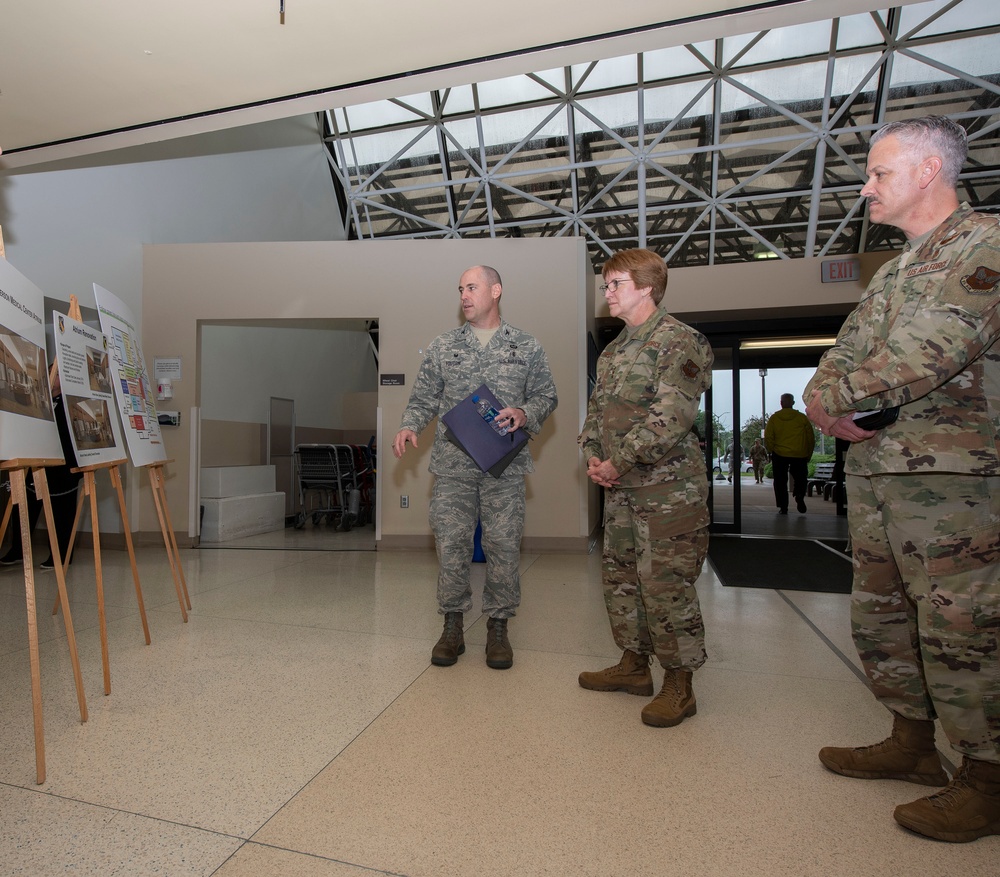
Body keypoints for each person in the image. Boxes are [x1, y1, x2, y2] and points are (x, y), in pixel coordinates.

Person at [804, 115, 1000, 843]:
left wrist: (834, 395)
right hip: (881, 473)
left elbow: (935, 346)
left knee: (962, 623)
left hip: (954, 479)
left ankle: (986, 774)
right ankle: (912, 740)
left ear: (927, 171)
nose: (865, 189)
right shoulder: (891, 271)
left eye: (878, 173)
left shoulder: (985, 245)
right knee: (883, 615)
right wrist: (823, 391)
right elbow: (843, 349)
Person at [392, 265, 557, 670]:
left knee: (503, 545)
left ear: (496, 290)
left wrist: (526, 411)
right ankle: (452, 625)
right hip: (453, 467)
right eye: (460, 289)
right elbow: (424, 396)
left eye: (472, 287)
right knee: (451, 546)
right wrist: (409, 424)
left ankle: (498, 627)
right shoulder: (444, 345)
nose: (464, 295)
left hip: (505, 466)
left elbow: (546, 395)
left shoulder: (526, 345)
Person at [577, 248, 712, 728]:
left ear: (646, 288)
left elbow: (671, 417)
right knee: (621, 578)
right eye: (606, 284)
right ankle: (634, 665)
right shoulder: (615, 350)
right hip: (620, 489)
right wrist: (593, 453)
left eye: (615, 284)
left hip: (667, 490)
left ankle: (680, 682)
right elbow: (595, 413)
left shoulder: (681, 341)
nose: (607, 292)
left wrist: (621, 460)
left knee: (666, 584)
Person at [0, 367, 81, 570]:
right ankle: (18, 550)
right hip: (38, 465)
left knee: (62, 512)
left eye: (57, 372)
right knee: (24, 508)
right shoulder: (40, 400)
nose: (52, 376)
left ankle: (62, 555)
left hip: (64, 468)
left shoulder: (70, 403)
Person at [764, 393, 815, 514]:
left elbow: (768, 437)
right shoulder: (802, 418)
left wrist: (772, 450)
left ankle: (783, 506)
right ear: (793, 403)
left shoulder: (774, 418)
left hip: (780, 454)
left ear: (781, 403)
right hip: (799, 453)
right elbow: (810, 437)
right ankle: (799, 495)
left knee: (780, 481)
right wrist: (808, 453)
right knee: (801, 478)